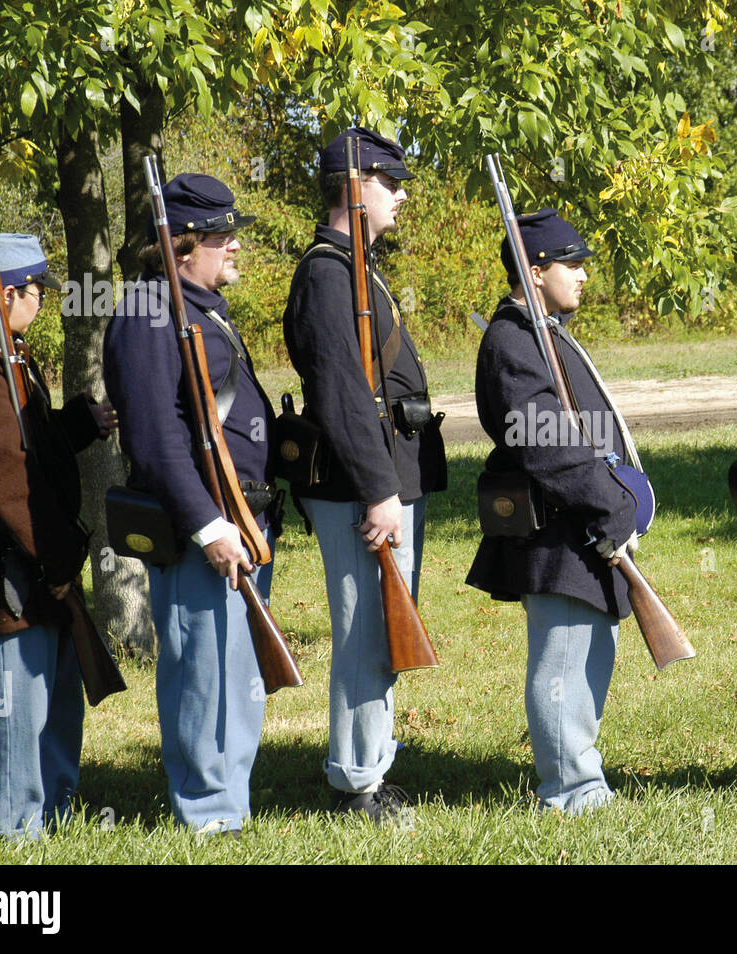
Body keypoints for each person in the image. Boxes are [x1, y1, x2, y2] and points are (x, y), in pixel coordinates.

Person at [0, 233, 116, 838]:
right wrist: (57, 560)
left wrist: (77, 425)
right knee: (14, 702)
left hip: (37, 550)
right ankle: (7, 827)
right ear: (8, 293)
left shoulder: (6, 352)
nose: (43, 302)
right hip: (11, 554)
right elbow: (5, 472)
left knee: (54, 694)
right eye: (36, 292)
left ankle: (53, 811)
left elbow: (30, 442)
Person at [281, 127, 446, 824]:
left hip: (382, 480)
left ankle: (373, 766)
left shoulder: (353, 267)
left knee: (382, 634)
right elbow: (343, 394)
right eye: (390, 182)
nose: (401, 194)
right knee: (363, 638)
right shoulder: (326, 274)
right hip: (360, 488)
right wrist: (380, 489)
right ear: (355, 188)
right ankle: (355, 786)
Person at [104, 174, 278, 836]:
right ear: (181, 245)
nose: (235, 245)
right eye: (221, 235)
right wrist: (208, 526)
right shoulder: (148, 312)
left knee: (237, 675)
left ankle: (227, 800)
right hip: (203, 530)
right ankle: (209, 814)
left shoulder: (200, 311)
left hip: (244, 519)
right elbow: (154, 437)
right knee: (204, 674)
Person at [467, 209, 645, 814]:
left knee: (591, 651)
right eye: (573, 264)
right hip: (557, 524)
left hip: (585, 519)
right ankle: (570, 790)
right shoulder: (513, 340)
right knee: (563, 661)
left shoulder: (546, 332)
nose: (584, 276)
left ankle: (580, 778)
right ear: (536, 271)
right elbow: (545, 439)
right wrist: (607, 500)